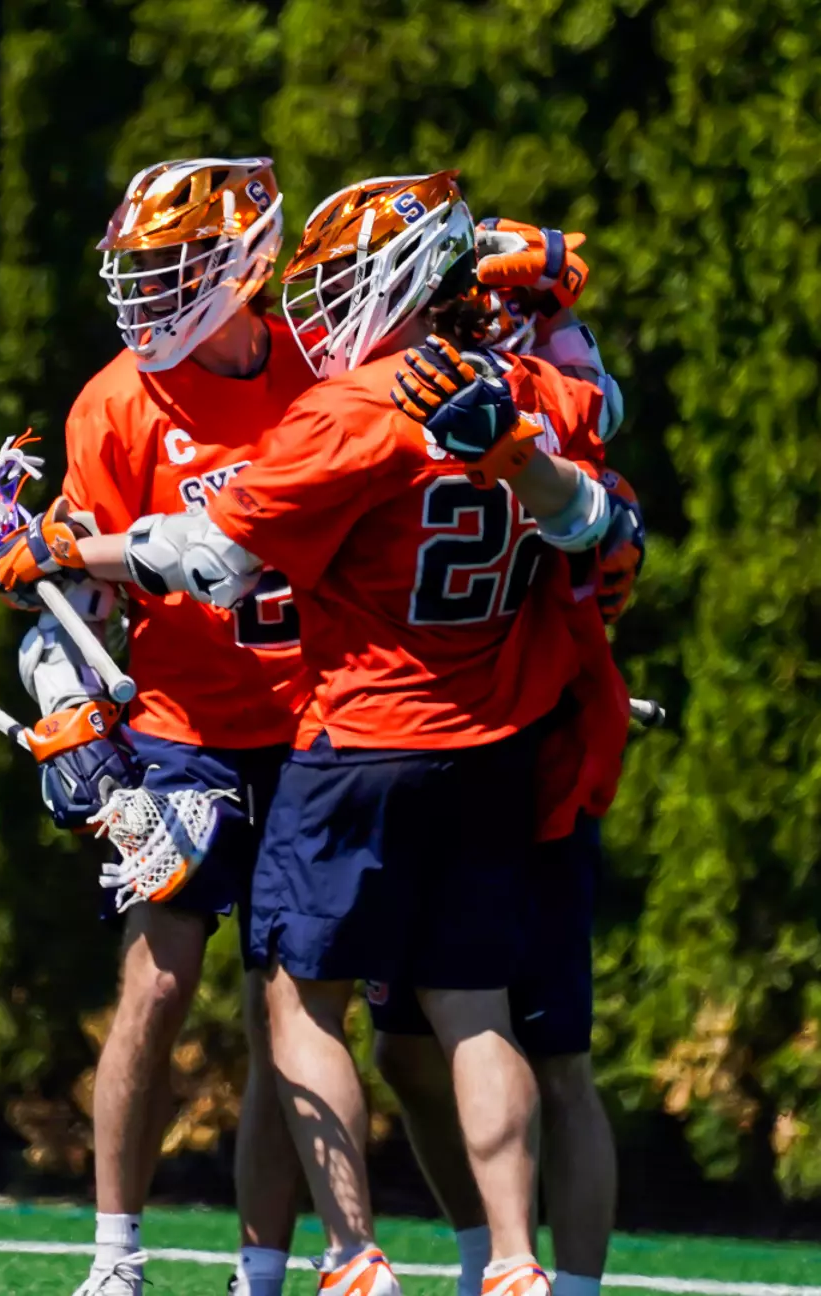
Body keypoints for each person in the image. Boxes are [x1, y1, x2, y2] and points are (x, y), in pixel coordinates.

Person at [84, 171, 629, 1296]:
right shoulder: (536, 390)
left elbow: (210, 559)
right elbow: (603, 509)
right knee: (474, 1012)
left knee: (296, 1000)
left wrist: (60, 552)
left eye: (340, 282)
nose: (320, 305)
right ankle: (514, 1262)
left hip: (356, 739)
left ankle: (351, 1254)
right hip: (495, 749)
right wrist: (534, 351)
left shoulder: (350, 406)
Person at [0, 155, 313, 1296]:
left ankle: (260, 1271)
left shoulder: (325, 370)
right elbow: (76, 596)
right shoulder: (116, 401)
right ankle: (115, 1256)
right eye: (143, 268)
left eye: (174, 266)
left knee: (292, 1011)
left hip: (317, 723)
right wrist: (68, 700)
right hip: (182, 727)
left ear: (243, 264)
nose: (151, 291)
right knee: (156, 983)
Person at [371, 221, 643, 1296]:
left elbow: (597, 441)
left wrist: (553, 315)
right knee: (405, 1045)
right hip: (431, 749)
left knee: (554, 1052)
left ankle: (561, 1285)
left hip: (537, 755)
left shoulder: (544, 399)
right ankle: (488, 1257)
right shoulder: (396, 396)